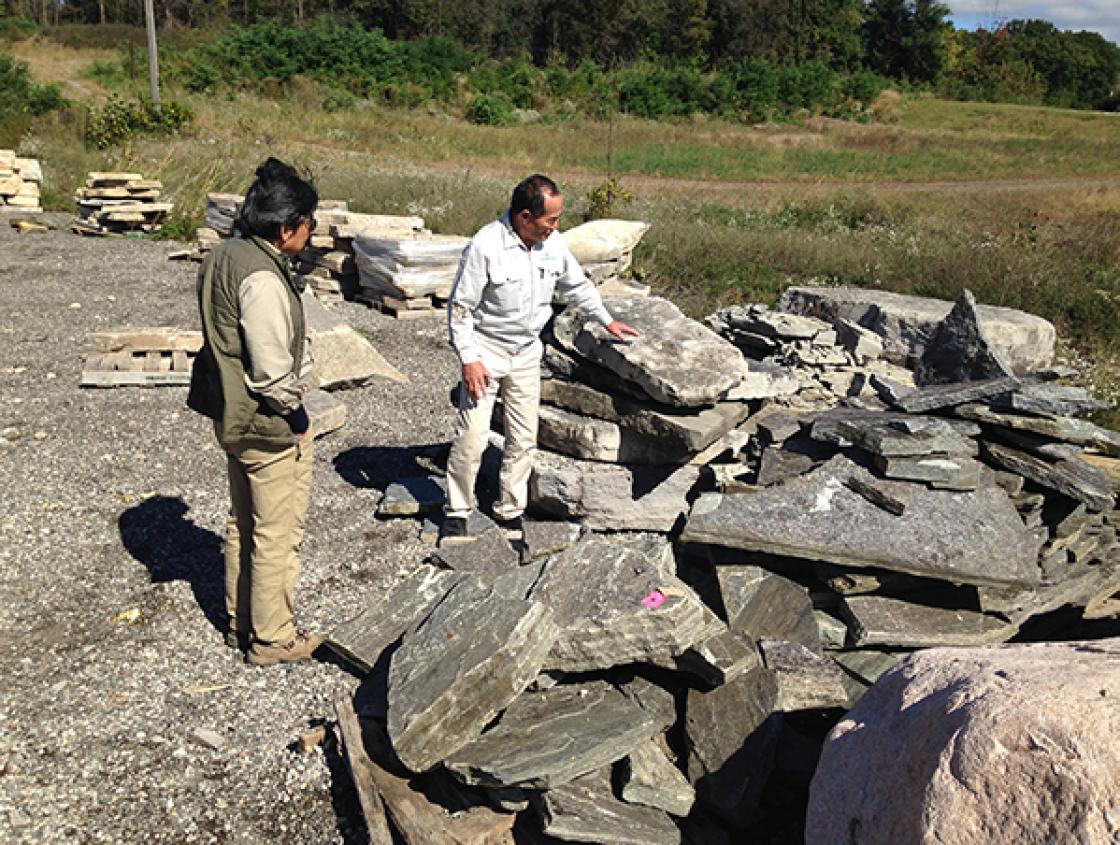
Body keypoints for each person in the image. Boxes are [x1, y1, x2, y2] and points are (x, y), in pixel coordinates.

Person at [442, 173, 639, 543]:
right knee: (473, 435)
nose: (556, 226)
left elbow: (576, 285)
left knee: (523, 436)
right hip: (487, 350)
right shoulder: (485, 246)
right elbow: (460, 309)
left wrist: (607, 320)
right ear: (524, 216)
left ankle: (510, 509)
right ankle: (457, 510)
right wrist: (469, 359)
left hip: (527, 352)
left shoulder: (553, 245)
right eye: (550, 219)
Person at [187, 157, 322, 666]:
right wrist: (298, 416)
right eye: (308, 224)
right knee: (277, 535)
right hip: (264, 424)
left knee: (243, 523)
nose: (311, 234)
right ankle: (273, 639)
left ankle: (240, 624)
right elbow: (270, 371)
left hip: (230, 415)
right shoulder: (262, 278)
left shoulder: (224, 255)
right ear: (286, 226)